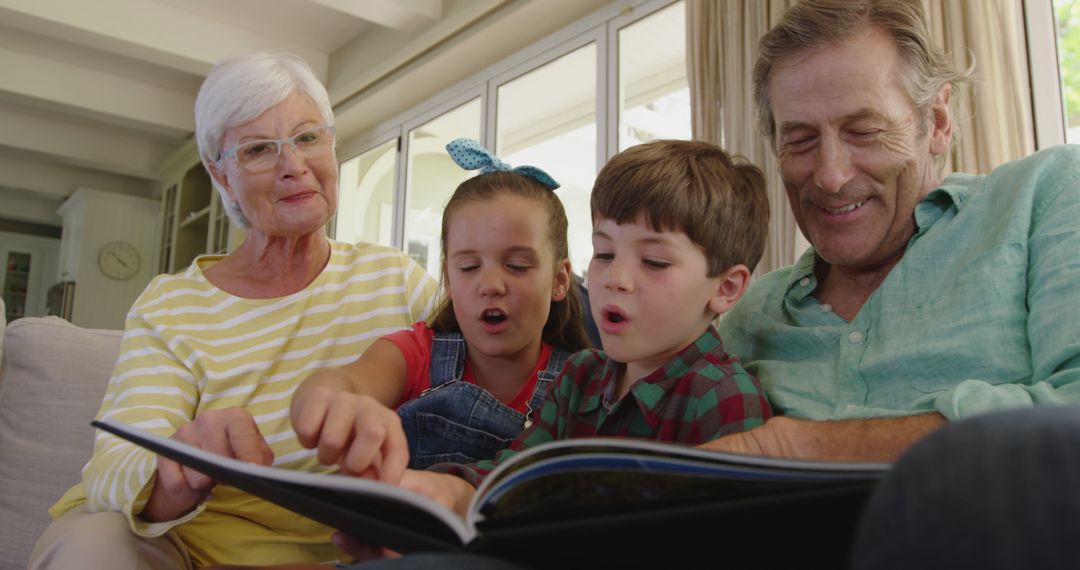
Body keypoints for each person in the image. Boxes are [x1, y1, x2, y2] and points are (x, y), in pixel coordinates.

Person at [28, 52, 437, 570]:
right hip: (193, 548)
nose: (294, 166)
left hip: (353, 550)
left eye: (309, 137)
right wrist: (180, 465)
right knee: (97, 544)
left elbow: (503, 360)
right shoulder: (173, 304)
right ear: (220, 176)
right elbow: (114, 467)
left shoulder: (396, 279)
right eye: (259, 149)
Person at [703, 0, 1080, 462]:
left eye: (864, 131)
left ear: (937, 122)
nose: (830, 176)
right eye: (800, 140)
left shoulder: (1046, 195)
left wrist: (793, 445)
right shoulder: (750, 313)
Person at [369, 138, 774, 521]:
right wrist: (445, 492)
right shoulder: (579, 377)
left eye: (652, 261)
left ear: (725, 288)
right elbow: (516, 475)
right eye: (604, 253)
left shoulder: (723, 399)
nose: (615, 278)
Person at [290, 138, 591, 483]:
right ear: (448, 276)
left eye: (518, 265)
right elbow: (341, 382)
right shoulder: (415, 354)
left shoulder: (584, 383)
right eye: (468, 267)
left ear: (560, 279)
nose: (490, 284)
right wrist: (327, 402)